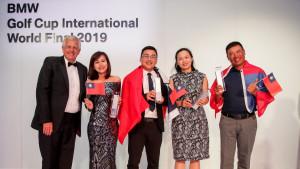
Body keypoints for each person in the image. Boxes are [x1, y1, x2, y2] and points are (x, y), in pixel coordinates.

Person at [210, 41, 275, 169]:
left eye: (238, 51)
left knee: (245, 160)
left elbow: (271, 94)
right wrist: (217, 94)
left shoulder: (257, 71)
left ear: (244, 52)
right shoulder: (222, 75)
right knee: (226, 161)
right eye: (231, 54)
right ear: (227, 57)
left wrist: (256, 92)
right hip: (227, 121)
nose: (235, 56)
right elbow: (215, 101)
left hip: (248, 121)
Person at [31, 35, 88, 169]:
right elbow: (42, 92)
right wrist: (46, 120)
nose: (71, 50)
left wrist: (90, 102)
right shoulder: (51, 62)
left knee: (65, 162)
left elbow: (84, 95)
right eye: (69, 47)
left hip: (71, 122)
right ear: (63, 48)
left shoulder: (83, 69)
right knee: (49, 161)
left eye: (75, 47)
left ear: (79, 51)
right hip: (52, 121)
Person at [117, 46, 168, 169]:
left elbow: (167, 98)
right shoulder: (130, 78)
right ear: (140, 59)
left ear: (156, 60)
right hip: (138, 124)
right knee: (133, 163)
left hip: (156, 124)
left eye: (153, 56)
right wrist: (145, 97)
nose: (149, 59)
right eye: (146, 56)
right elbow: (128, 102)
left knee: (154, 163)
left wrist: (163, 100)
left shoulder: (161, 76)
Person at [169, 48, 210, 169]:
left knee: (195, 157)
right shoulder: (173, 79)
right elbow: (171, 102)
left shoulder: (202, 77)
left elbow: (206, 97)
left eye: (186, 57)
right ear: (177, 62)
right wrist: (181, 103)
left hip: (198, 119)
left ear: (192, 59)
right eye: (180, 59)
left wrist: (203, 101)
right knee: (180, 157)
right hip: (180, 121)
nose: (184, 61)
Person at [84, 51, 122, 169]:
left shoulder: (116, 80)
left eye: (103, 61)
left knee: (110, 159)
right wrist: (88, 106)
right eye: (97, 62)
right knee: (95, 159)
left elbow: (116, 102)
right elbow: (89, 104)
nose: (100, 64)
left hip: (111, 125)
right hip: (95, 126)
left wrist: (119, 102)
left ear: (107, 62)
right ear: (93, 65)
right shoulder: (89, 82)